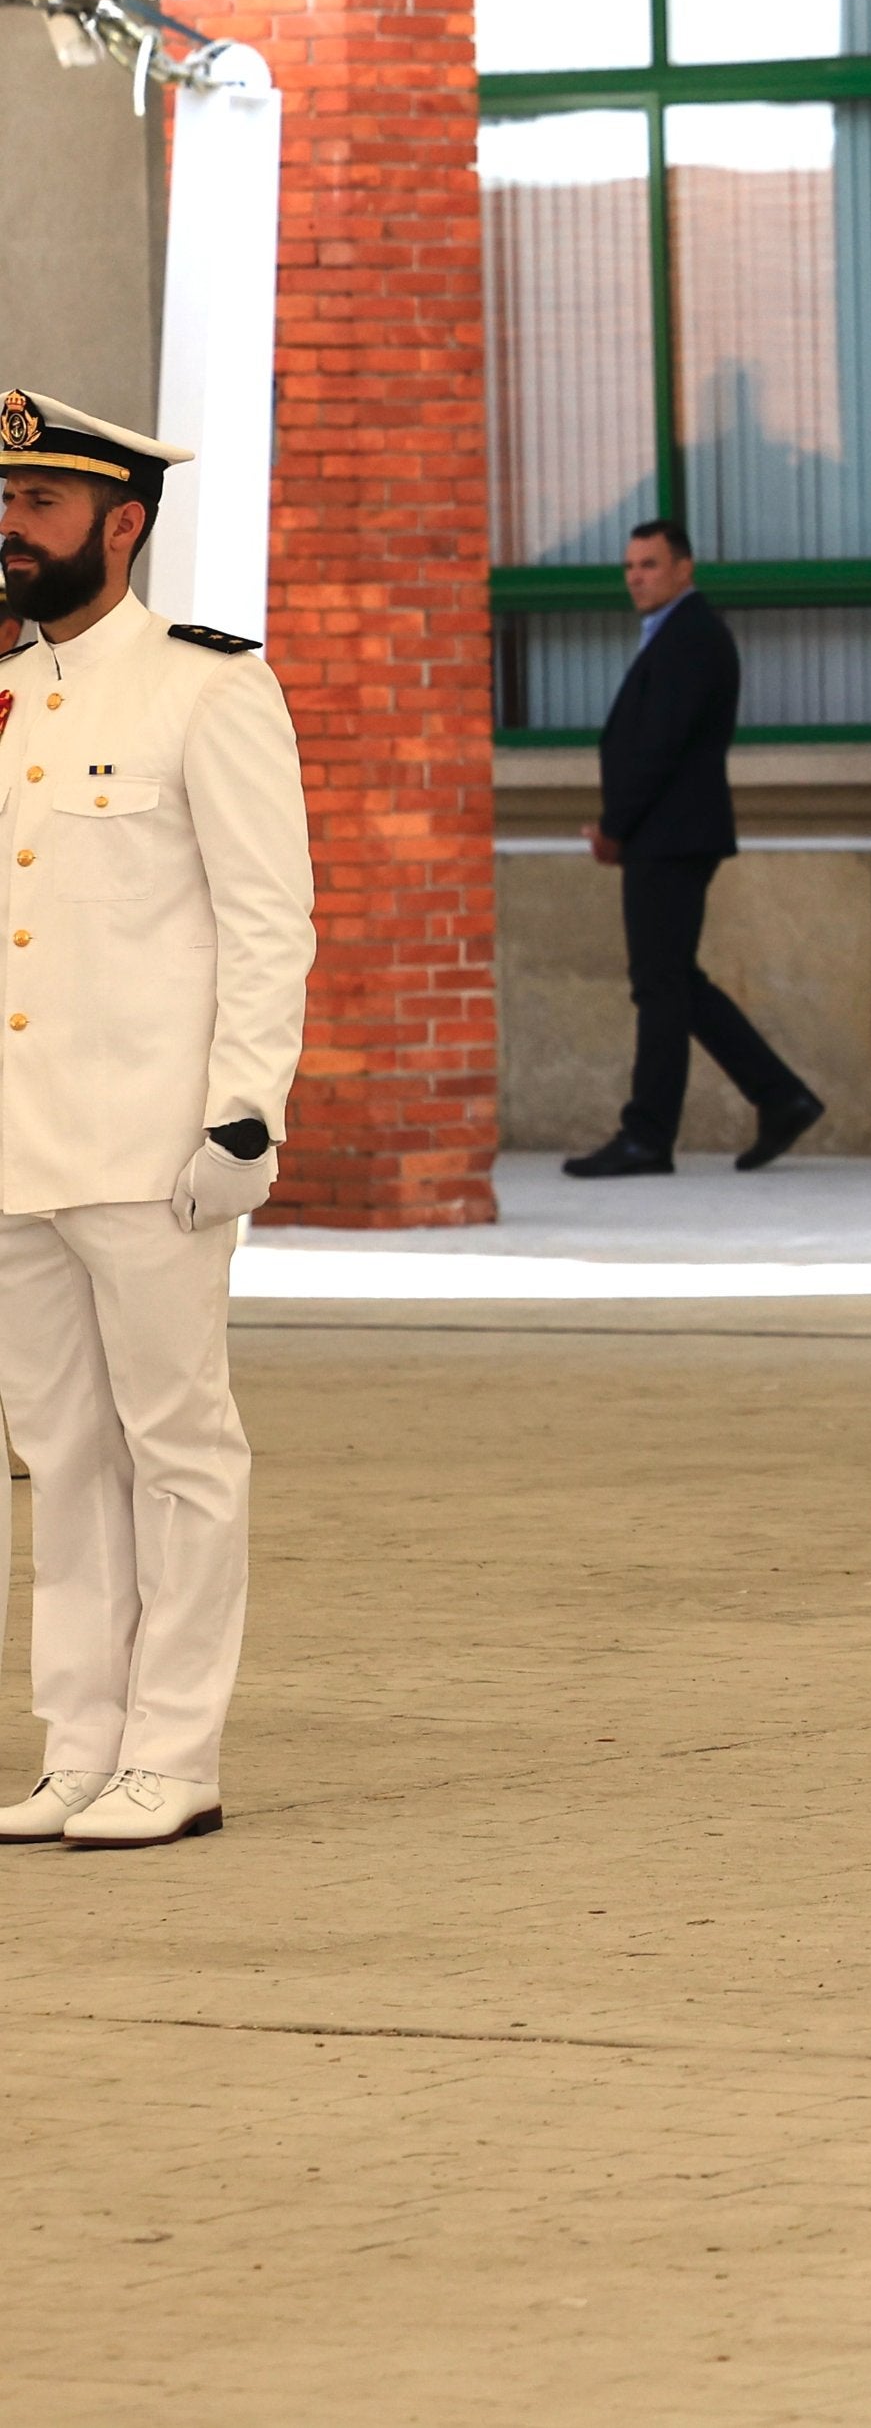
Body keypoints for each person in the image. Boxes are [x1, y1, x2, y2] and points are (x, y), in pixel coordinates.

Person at [0, 392, 313, 1850]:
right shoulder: (7, 689)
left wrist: (241, 1116)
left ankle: (175, 1748)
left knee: (177, 1442)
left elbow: (267, 920)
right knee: (61, 1452)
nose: (10, 527)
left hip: (151, 1144)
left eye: (39, 504)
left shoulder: (207, 687)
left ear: (121, 523)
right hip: (19, 1146)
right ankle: (80, 1742)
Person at [562, 517, 823, 1178]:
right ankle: (780, 1096)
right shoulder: (676, 635)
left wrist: (616, 827)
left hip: (669, 837)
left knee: (659, 983)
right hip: (668, 833)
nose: (635, 577)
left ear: (685, 568)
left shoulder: (691, 636)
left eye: (649, 564)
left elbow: (660, 747)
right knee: (674, 979)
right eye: (629, 567)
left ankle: (649, 1135)